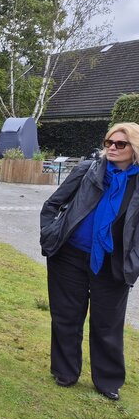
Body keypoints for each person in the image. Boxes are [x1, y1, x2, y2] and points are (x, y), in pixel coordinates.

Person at [40, 122, 139, 401]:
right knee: (66, 316)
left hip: (114, 262)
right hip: (69, 255)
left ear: (134, 149)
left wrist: (134, 260)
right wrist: (49, 233)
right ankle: (65, 372)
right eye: (109, 142)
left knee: (107, 322)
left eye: (121, 144)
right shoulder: (88, 170)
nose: (112, 148)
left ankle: (107, 380)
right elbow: (53, 203)